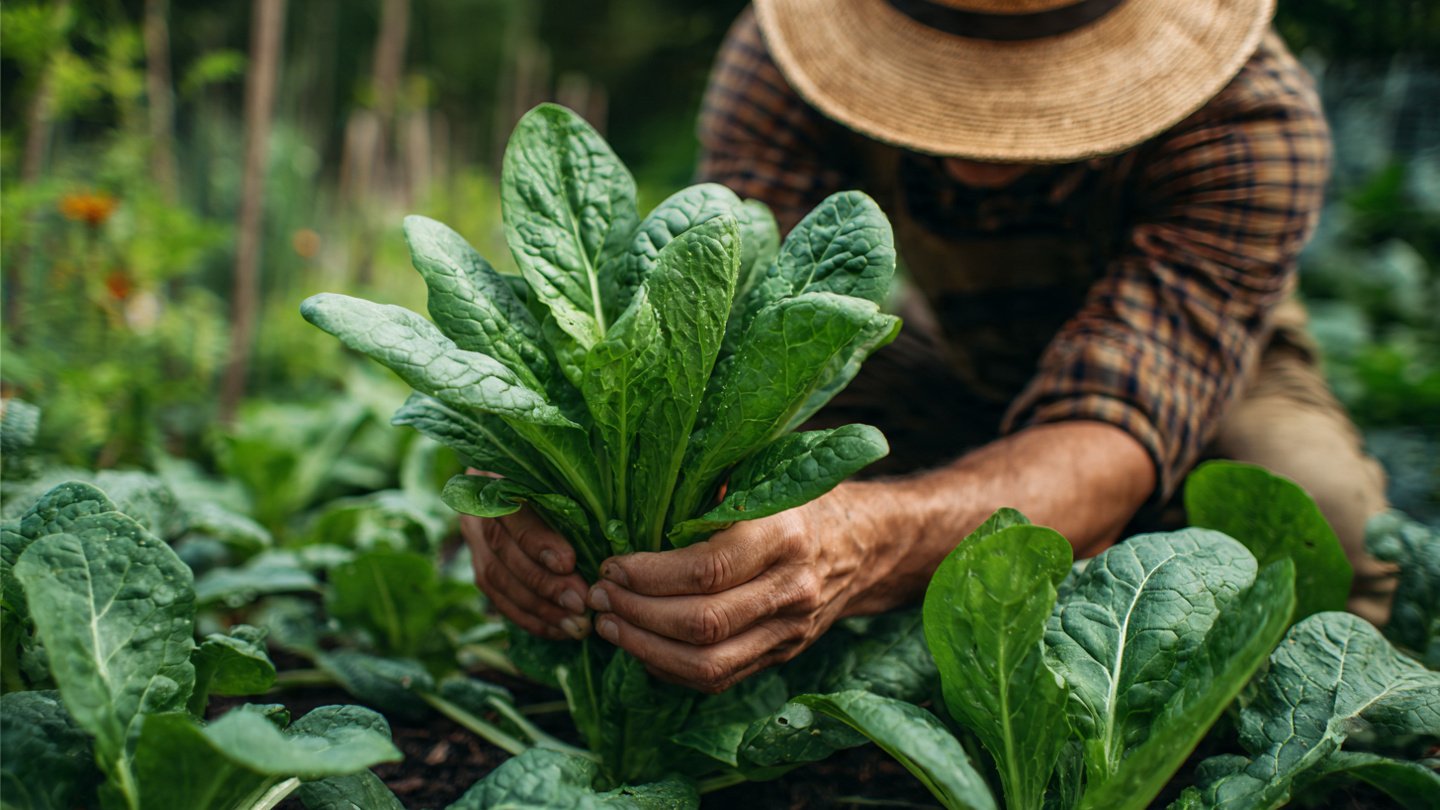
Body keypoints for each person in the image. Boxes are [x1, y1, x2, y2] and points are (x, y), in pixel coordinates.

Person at [463, 0, 1397, 694]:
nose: (969, 149)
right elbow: (723, 336)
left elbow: (1113, 433)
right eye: (937, 75)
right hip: (943, 348)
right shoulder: (783, 59)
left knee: (1317, 519)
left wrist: (863, 541)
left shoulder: (1246, 111)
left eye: (1027, 88)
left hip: (1200, 369)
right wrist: (538, 477)